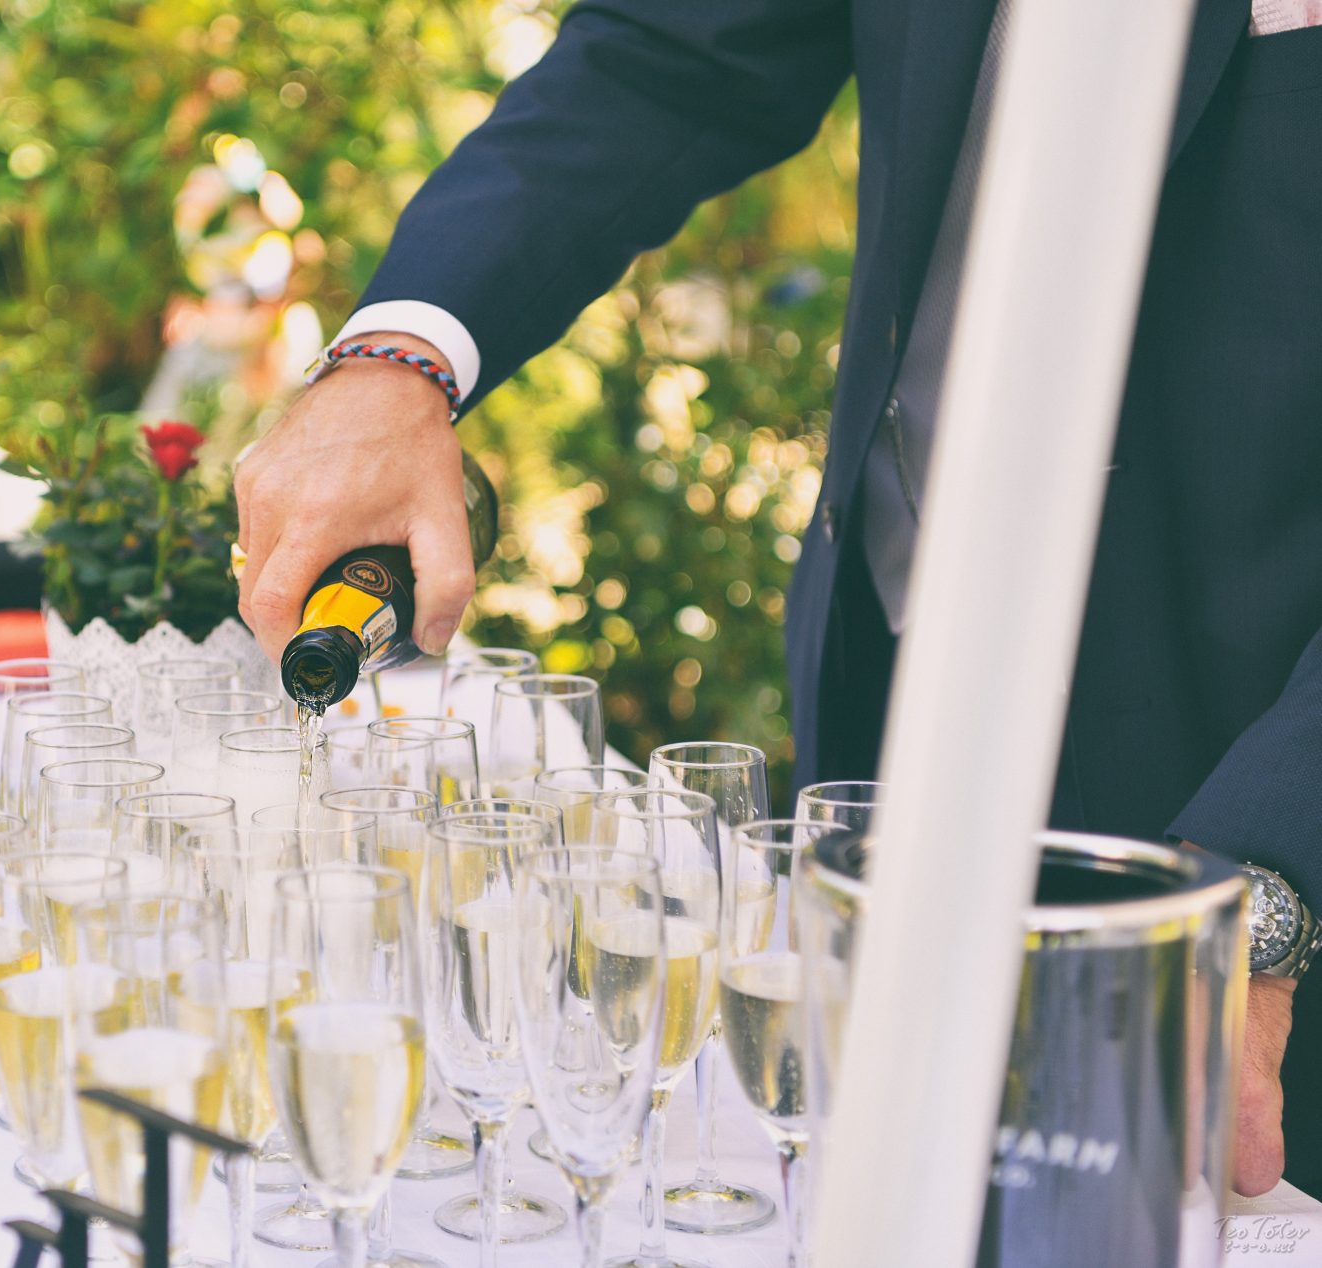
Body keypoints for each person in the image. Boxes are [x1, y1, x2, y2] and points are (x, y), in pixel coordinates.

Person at [234, 0, 1321, 1199]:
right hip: (890, 704)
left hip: (1251, 778)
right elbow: (674, 54)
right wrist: (403, 355)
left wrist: (1264, 884)